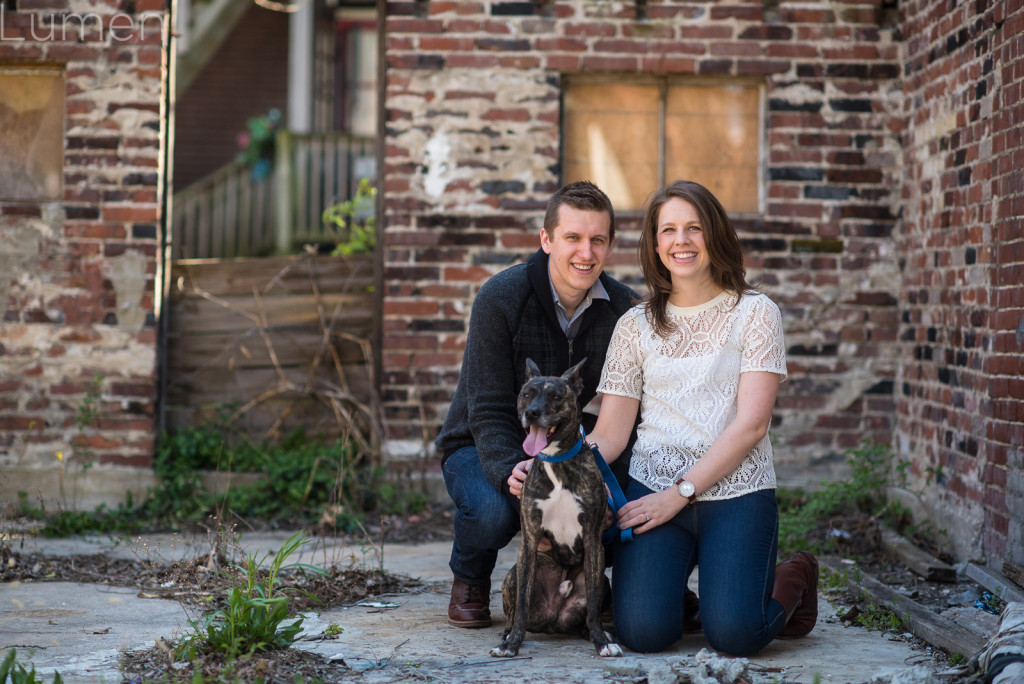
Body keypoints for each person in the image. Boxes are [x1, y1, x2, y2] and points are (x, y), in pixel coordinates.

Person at [569, 180, 816, 655]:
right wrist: (561, 466)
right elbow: (611, 434)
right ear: (655, 243)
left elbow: (752, 425)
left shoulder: (755, 313)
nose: (680, 241)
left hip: (737, 490)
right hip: (652, 486)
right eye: (668, 231)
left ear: (714, 235)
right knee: (642, 633)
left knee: (736, 636)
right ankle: (683, 592)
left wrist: (680, 494)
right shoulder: (634, 325)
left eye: (693, 228)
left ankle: (795, 577)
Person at [435, 180, 640, 628]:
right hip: (484, 443)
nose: (585, 253)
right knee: (491, 514)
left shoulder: (625, 309)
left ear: (609, 245)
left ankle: (595, 588)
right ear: (546, 240)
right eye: (572, 238)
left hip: (572, 449)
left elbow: (626, 409)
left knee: (620, 501)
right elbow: (486, 406)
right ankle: (469, 578)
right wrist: (512, 466)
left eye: (597, 240)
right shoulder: (501, 297)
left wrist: (585, 470)